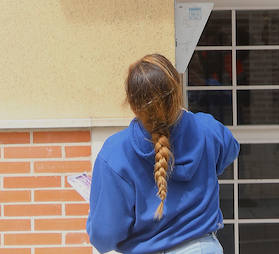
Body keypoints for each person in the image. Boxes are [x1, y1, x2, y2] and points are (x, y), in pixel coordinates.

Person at [86, 53, 239, 254]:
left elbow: (104, 237)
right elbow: (230, 151)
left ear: (132, 103)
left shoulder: (115, 153)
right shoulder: (208, 129)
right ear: (177, 91)